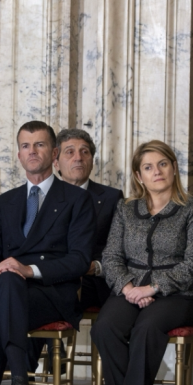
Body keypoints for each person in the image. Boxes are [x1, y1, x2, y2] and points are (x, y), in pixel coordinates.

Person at [0, 121, 95, 385]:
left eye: (39, 145)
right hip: (10, 290)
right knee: (6, 287)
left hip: (49, 295)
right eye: (25, 146)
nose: (32, 151)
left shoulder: (77, 200)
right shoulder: (6, 202)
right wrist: (3, 269)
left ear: (53, 154)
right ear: (19, 155)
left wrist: (28, 269)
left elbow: (79, 259)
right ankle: (20, 380)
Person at [91, 141, 193, 385]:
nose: (157, 171)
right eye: (148, 167)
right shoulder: (126, 209)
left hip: (179, 295)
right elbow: (112, 256)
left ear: (173, 167)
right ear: (138, 176)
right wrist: (129, 288)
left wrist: (154, 287)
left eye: (163, 164)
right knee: (105, 327)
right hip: (131, 288)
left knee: (145, 328)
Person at [53, 128, 123, 310]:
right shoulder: (44, 197)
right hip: (51, 276)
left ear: (92, 161)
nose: (78, 158)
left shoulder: (111, 198)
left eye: (85, 152)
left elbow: (120, 247)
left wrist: (96, 267)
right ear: (56, 162)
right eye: (69, 152)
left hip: (92, 280)